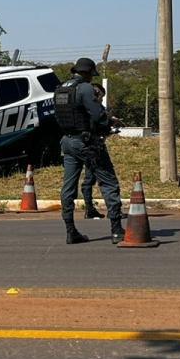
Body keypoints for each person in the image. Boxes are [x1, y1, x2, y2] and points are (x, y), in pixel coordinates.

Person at [53, 58, 123, 244]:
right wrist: (109, 123)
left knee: (68, 187)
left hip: (67, 142)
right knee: (109, 182)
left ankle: (70, 231)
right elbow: (98, 116)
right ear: (88, 73)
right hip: (87, 143)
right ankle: (116, 229)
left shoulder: (61, 89)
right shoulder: (84, 88)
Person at [80, 84, 107, 219]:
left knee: (89, 178)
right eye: (101, 97)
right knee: (105, 179)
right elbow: (100, 123)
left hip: (82, 144)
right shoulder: (94, 108)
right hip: (93, 146)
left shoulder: (83, 106)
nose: (101, 100)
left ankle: (89, 208)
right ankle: (113, 212)